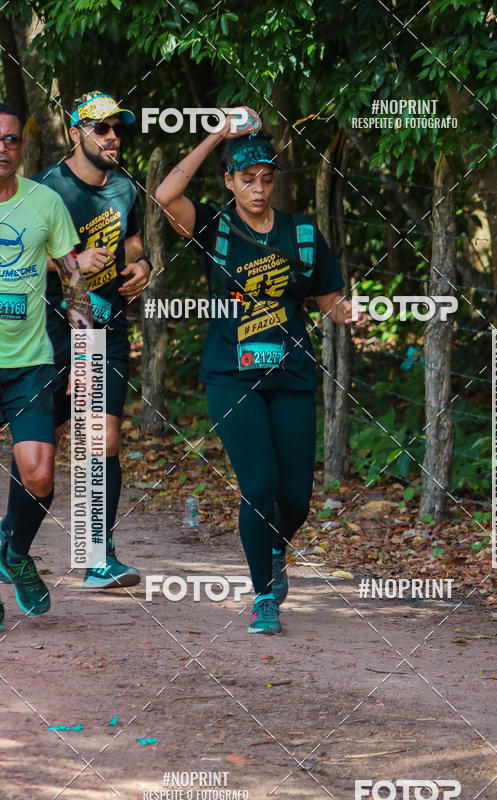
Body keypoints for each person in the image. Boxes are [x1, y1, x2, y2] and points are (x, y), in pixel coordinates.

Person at [155, 107, 364, 635]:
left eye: (266, 179)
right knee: (260, 485)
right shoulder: (214, 227)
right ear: (229, 180)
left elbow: (327, 299)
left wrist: (348, 312)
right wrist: (216, 136)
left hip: (290, 374)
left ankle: (275, 549)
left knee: (295, 497)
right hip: (231, 374)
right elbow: (164, 197)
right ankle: (264, 596)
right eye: (247, 179)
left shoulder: (303, 233)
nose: (257, 189)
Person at [30, 91, 151, 589]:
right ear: (77, 132)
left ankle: (99, 557)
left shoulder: (125, 188)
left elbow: (134, 243)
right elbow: (20, 263)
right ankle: (12, 543)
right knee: (40, 445)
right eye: (101, 129)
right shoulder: (43, 190)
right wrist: (72, 264)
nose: (113, 137)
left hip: (109, 325)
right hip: (55, 326)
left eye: (117, 129)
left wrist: (141, 266)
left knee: (104, 438)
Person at [0, 102, 93, 627]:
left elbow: (73, 274)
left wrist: (81, 347)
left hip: (30, 364)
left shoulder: (45, 203)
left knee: (37, 476)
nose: (3, 148)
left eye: (12, 139)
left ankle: (14, 552)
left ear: (22, 146)